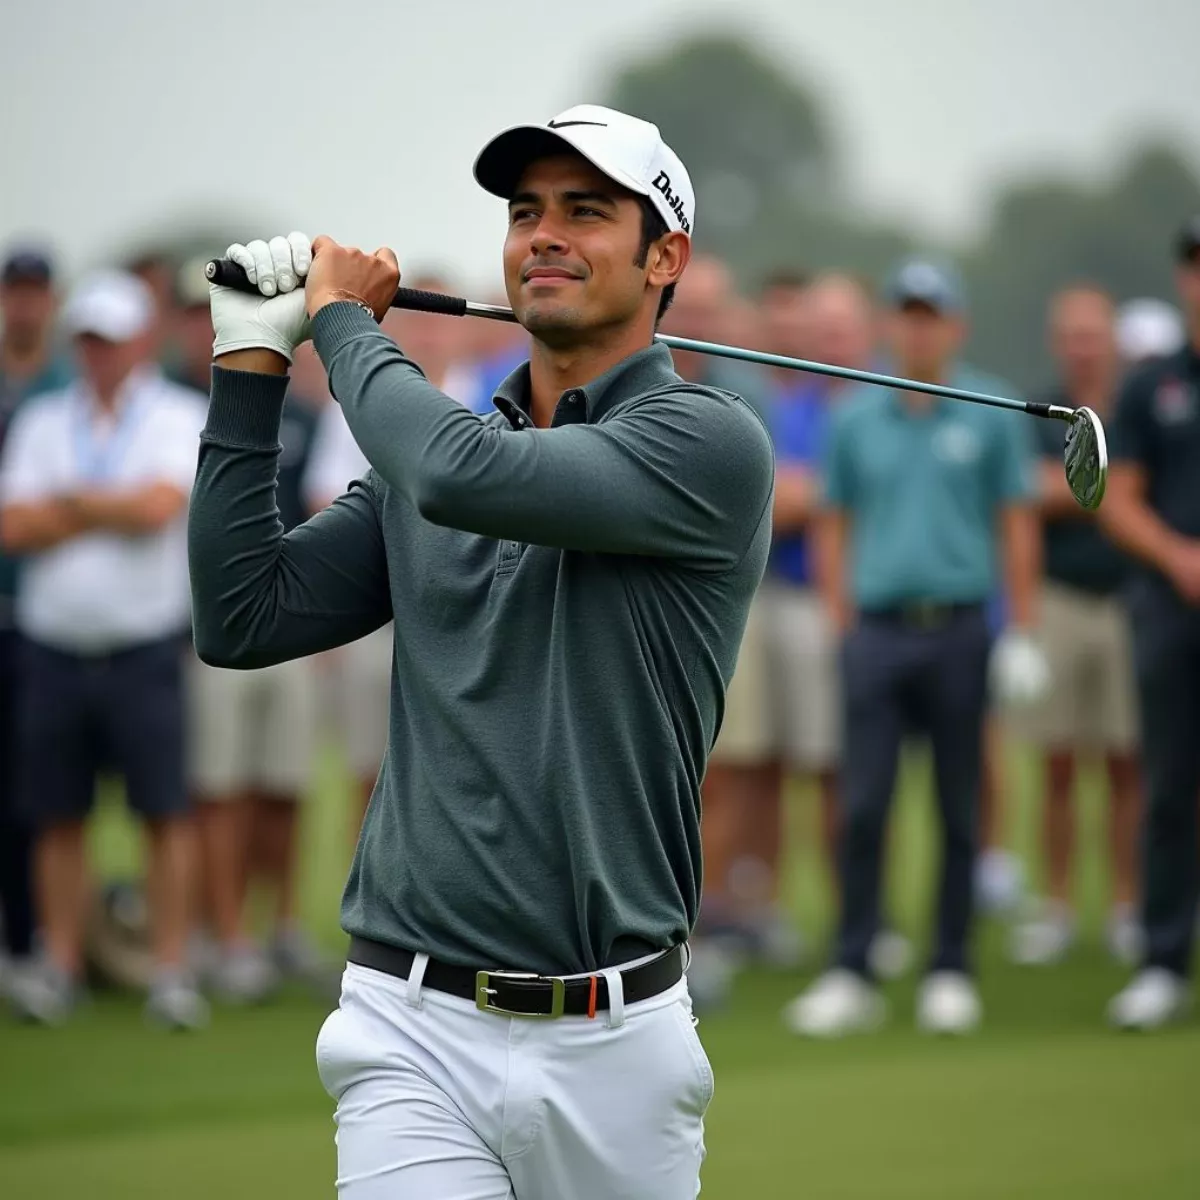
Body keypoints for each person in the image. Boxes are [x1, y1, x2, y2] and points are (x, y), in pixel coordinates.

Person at [190, 104, 772, 1198]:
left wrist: (344, 324)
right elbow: (242, 614)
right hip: (411, 1029)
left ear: (665, 258)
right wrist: (247, 362)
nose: (542, 234)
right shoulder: (441, 457)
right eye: (524, 211)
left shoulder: (709, 443)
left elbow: (463, 476)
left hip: (618, 1039)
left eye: (585, 212)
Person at [785, 258, 1045, 1038]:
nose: (919, 327)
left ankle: (950, 967)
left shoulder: (990, 407)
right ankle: (853, 967)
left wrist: (1022, 628)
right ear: (890, 326)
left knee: (959, 806)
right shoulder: (857, 418)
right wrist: (839, 620)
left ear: (955, 325)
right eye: (907, 313)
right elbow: (833, 523)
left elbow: (1016, 522)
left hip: (963, 628)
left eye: (932, 314)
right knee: (864, 805)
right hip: (878, 630)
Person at [0, 270, 207, 1029]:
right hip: (52, 647)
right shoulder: (45, 419)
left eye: (111, 341)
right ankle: (58, 965)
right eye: (87, 340)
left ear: (140, 342)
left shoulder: (177, 412)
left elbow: (158, 508)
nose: (98, 354)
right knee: (57, 815)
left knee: (164, 813)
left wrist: (69, 502)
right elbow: (13, 527)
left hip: (143, 646)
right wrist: (104, 503)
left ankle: (172, 968)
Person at [171, 256, 334, 1001]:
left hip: (291, 617)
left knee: (283, 784)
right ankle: (225, 933)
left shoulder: (299, 409)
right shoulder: (176, 401)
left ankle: (280, 929)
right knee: (222, 787)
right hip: (212, 625)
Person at [655, 255, 796, 994]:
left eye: (714, 311)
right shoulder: (632, 381)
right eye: (689, 308)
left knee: (731, 770)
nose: (700, 324)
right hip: (642, 614)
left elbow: (778, 495)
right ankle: (658, 931)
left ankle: (693, 929)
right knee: (659, 774)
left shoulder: (743, 393)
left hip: (717, 611)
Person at [303, 272, 480, 833]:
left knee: (464, 773)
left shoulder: (494, 396)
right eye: (418, 322)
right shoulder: (353, 403)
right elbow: (325, 502)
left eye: (440, 323)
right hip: (374, 615)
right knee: (369, 769)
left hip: (469, 618)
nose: (429, 335)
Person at [1009, 286, 1140, 967]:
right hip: (1059, 598)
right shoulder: (1043, 408)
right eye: (1073, 335)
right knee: (1057, 763)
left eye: (1095, 334)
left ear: (1111, 339)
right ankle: (1056, 904)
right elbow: (1027, 497)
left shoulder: (1139, 403)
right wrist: (1104, 489)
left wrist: (1087, 489)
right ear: (1059, 341)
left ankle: (1126, 903)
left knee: (1127, 764)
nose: (1084, 346)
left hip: (1130, 598)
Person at [1101, 217, 1200, 1030]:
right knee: (1167, 784)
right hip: (1171, 608)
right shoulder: (1150, 385)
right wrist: (1179, 557)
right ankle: (1164, 960)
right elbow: (1119, 498)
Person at [0, 246, 73, 992]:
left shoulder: (61, 388)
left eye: (34, 293)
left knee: (28, 793)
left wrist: (63, 510)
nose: (23, 306)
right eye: (14, 292)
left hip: (31, 617)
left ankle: (26, 942)